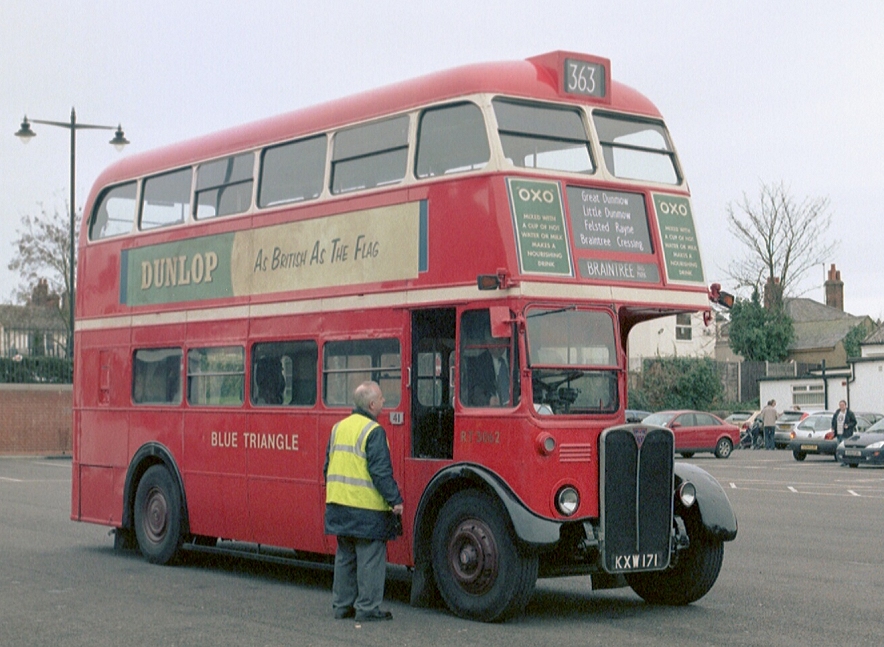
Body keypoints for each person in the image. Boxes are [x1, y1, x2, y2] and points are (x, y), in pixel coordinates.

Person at [323, 381, 403, 622]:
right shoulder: (373, 431)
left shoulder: (338, 428)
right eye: (381, 398)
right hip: (366, 508)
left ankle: (342, 606)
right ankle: (367, 608)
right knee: (370, 559)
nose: (384, 401)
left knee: (345, 557)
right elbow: (380, 472)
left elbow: (327, 466)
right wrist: (395, 500)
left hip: (338, 505)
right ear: (371, 404)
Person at [467, 342, 511, 407]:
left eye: (500, 339)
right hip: (493, 410)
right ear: (486, 341)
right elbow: (475, 392)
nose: (496, 345)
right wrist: (488, 400)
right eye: (492, 340)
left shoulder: (519, 356)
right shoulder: (479, 363)